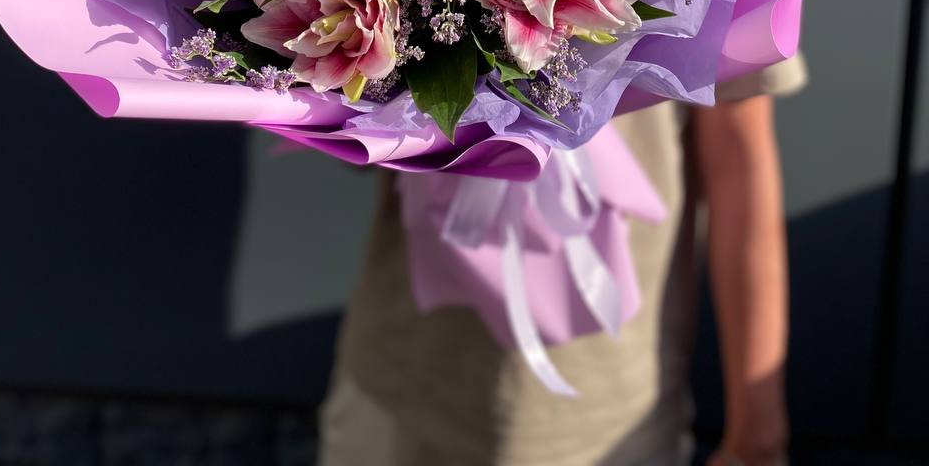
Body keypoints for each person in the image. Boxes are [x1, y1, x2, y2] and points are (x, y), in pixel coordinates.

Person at [318, 55, 805, 466]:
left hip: (612, 416)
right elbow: (355, 123)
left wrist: (758, 436)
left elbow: (740, 163)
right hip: (399, 386)